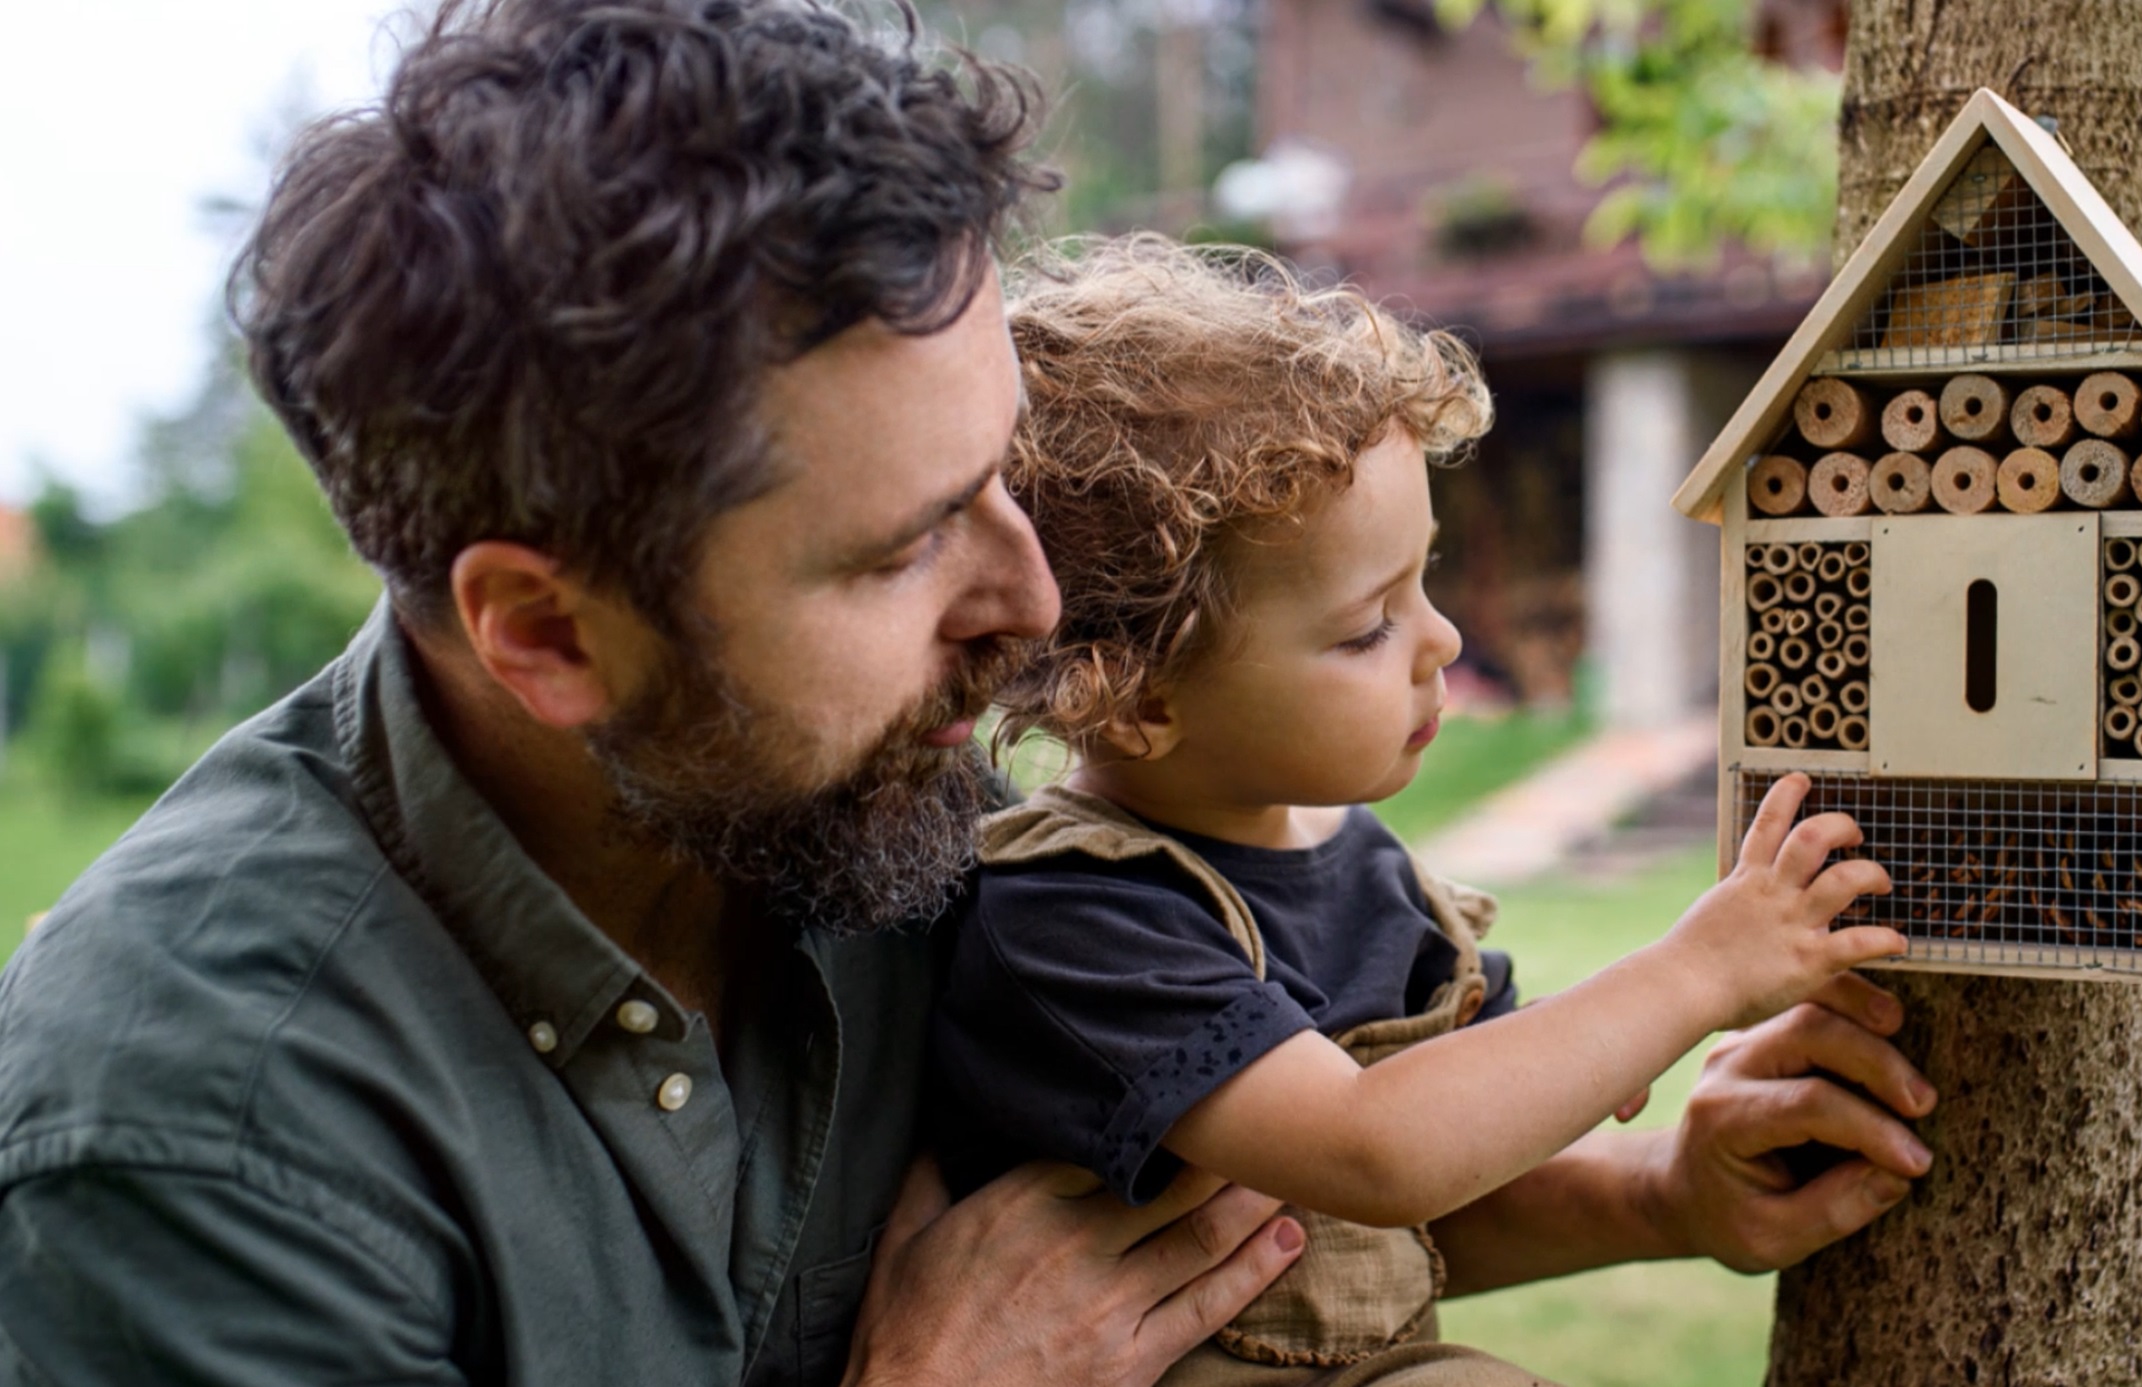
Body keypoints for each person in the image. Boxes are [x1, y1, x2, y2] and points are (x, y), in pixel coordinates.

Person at [0, 4, 1934, 1384]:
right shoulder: (191, 1146)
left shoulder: (892, 811)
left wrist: (1655, 1196)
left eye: (1007, 474)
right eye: (898, 545)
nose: (1030, 604)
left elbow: (1288, 1219)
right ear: (548, 633)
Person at [926, 238, 1912, 1386]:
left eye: (1424, 581)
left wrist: (1656, 1162)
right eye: (1365, 627)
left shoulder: (1363, 868)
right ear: (1138, 698)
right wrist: (1692, 974)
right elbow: (1373, 1148)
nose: (1440, 641)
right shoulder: (1071, 910)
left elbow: (1442, 1183)